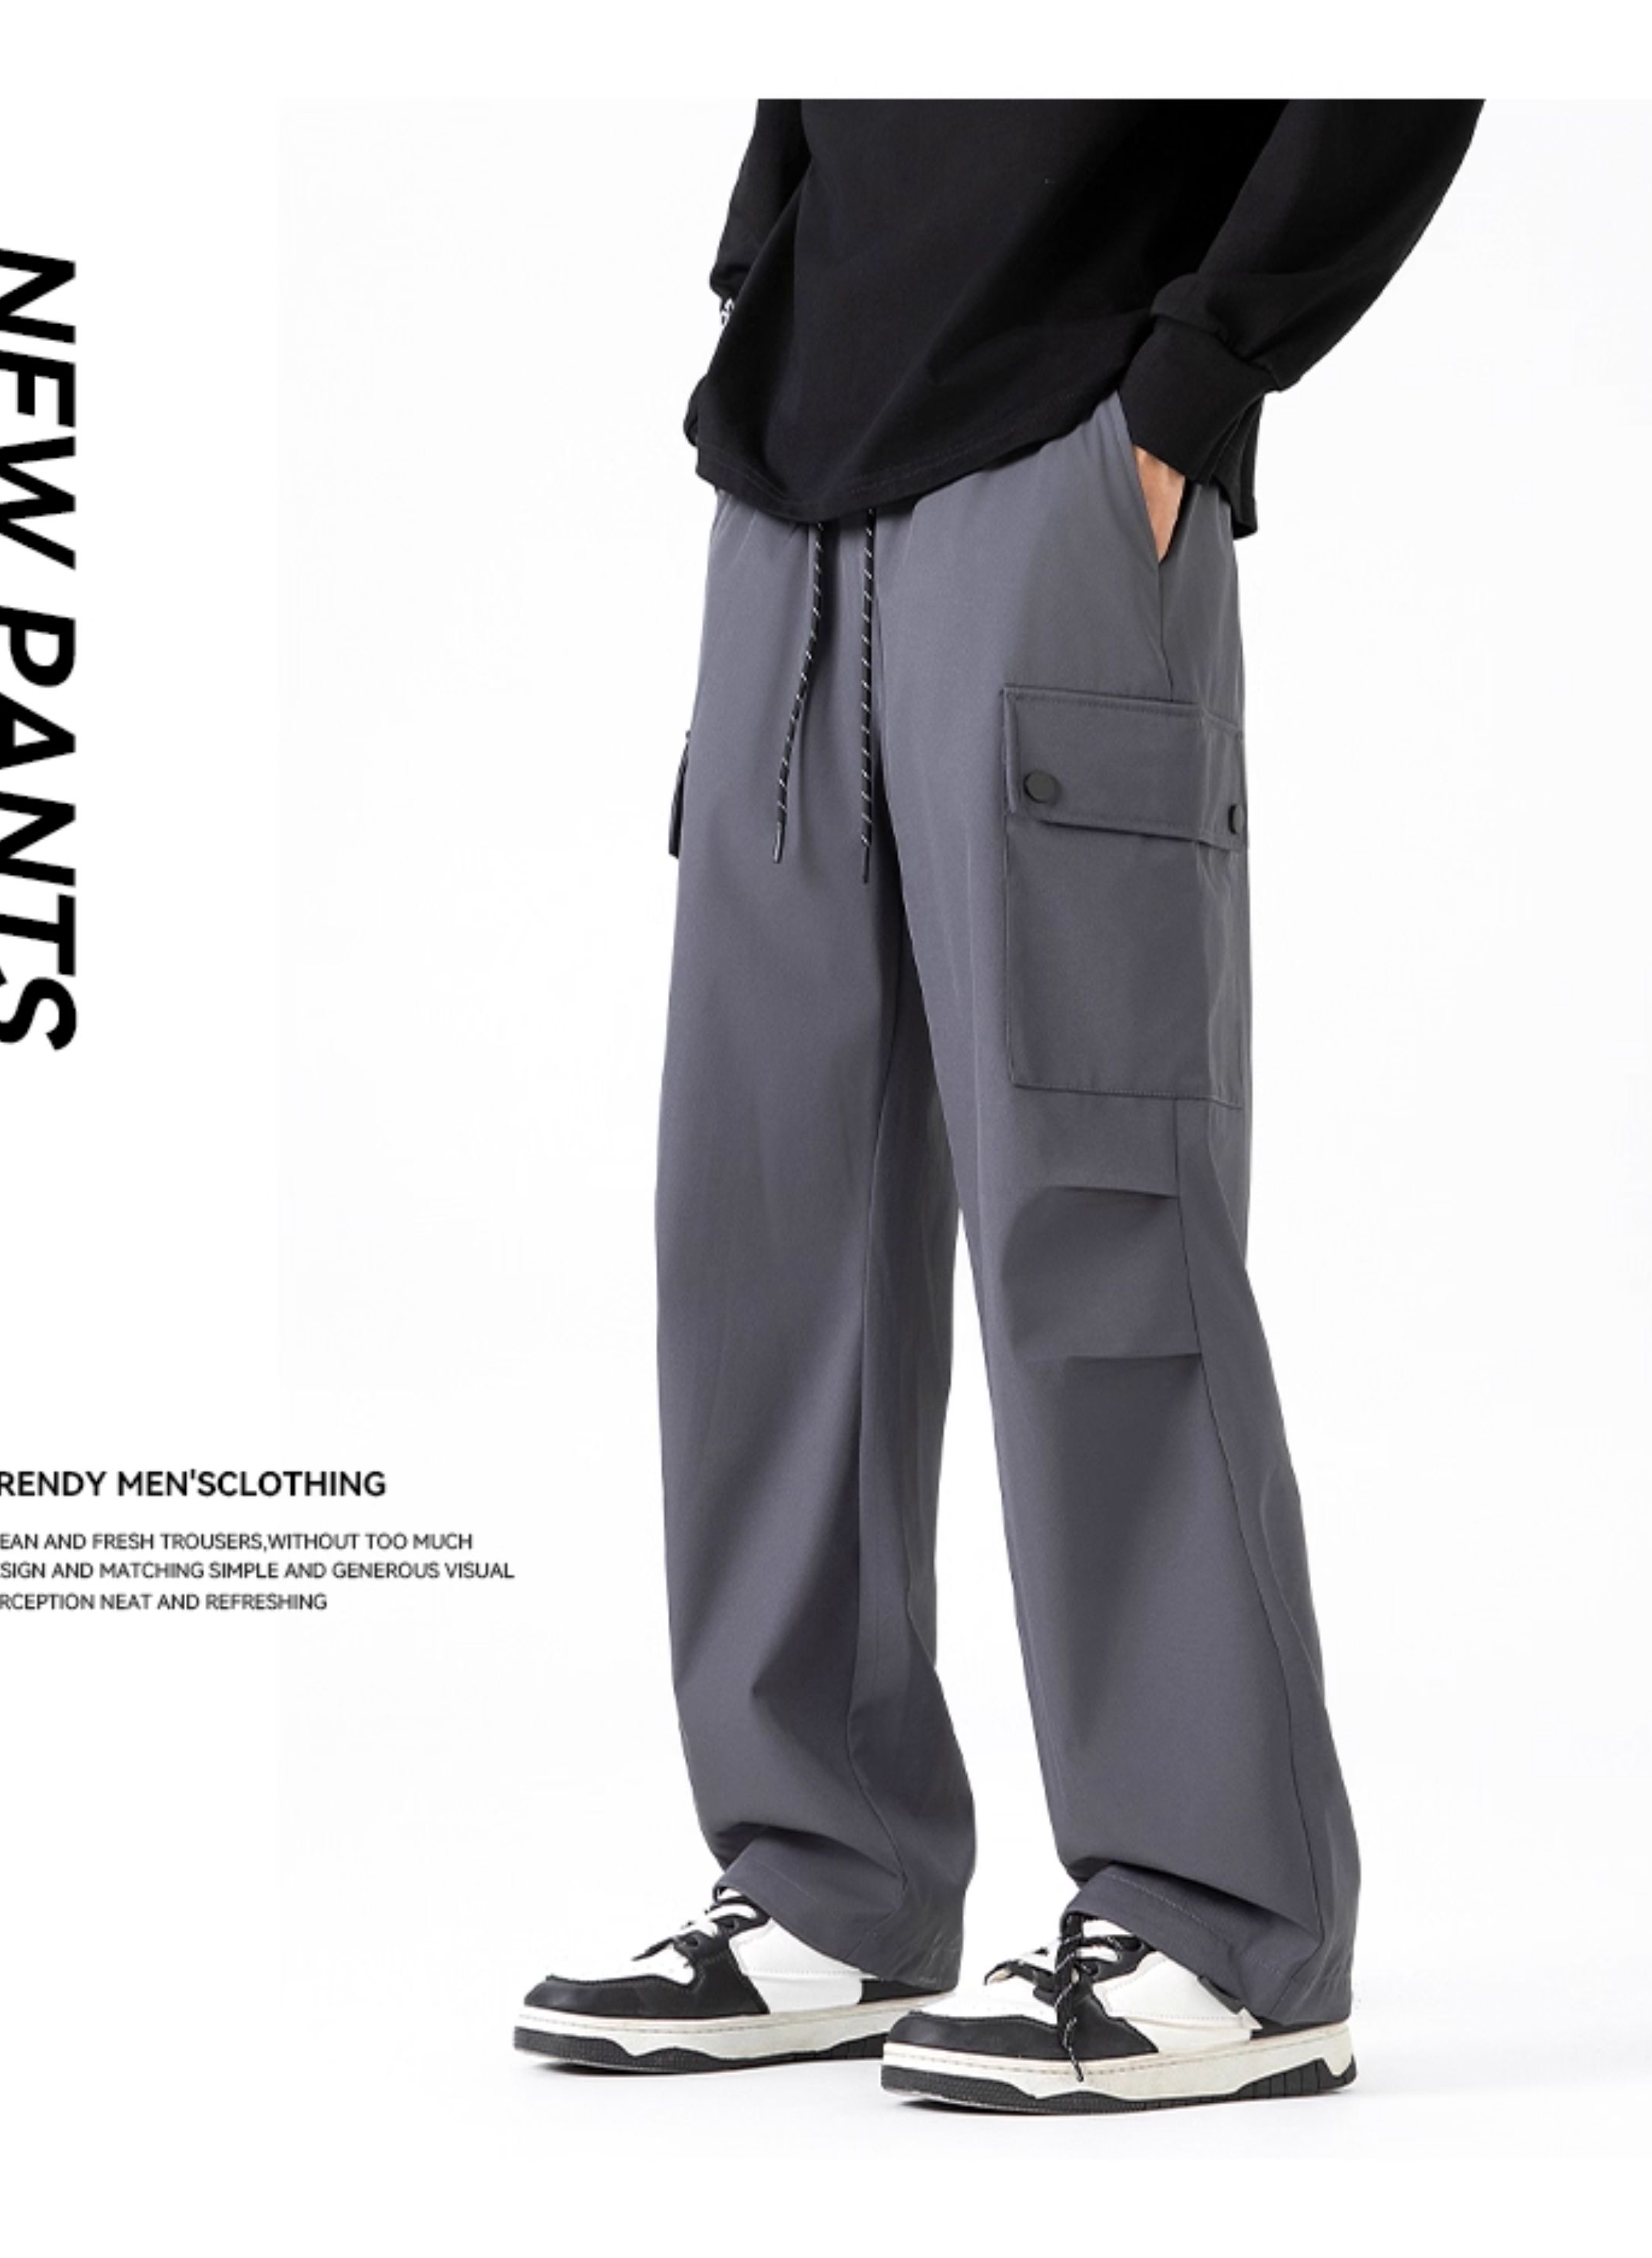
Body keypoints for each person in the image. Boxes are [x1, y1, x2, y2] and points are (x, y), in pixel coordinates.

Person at [516, 98, 1482, 2114]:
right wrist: (768, 274)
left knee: (1094, 1200)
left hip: (1067, 447)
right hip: (793, 477)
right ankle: (827, 1879)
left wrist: (1200, 377)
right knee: (765, 1222)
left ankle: (1226, 1920)